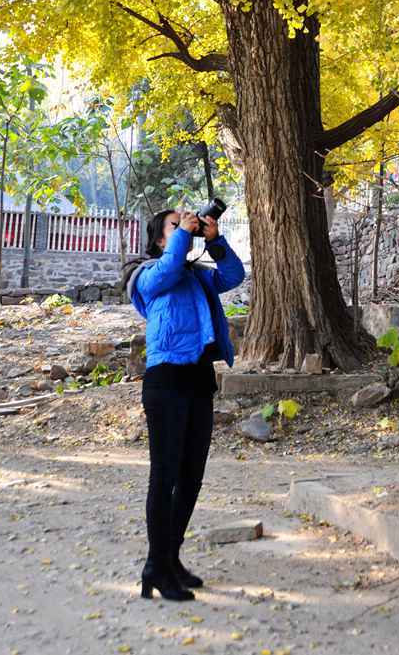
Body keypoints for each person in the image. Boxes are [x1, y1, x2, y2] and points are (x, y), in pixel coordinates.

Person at [124, 208, 245, 600]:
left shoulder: (195, 274)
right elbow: (169, 267)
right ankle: (156, 566)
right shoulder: (146, 275)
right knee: (165, 476)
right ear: (161, 240)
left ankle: (167, 559)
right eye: (176, 225)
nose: (186, 226)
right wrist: (183, 238)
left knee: (191, 477)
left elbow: (233, 276)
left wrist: (213, 240)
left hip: (198, 380)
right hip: (165, 381)